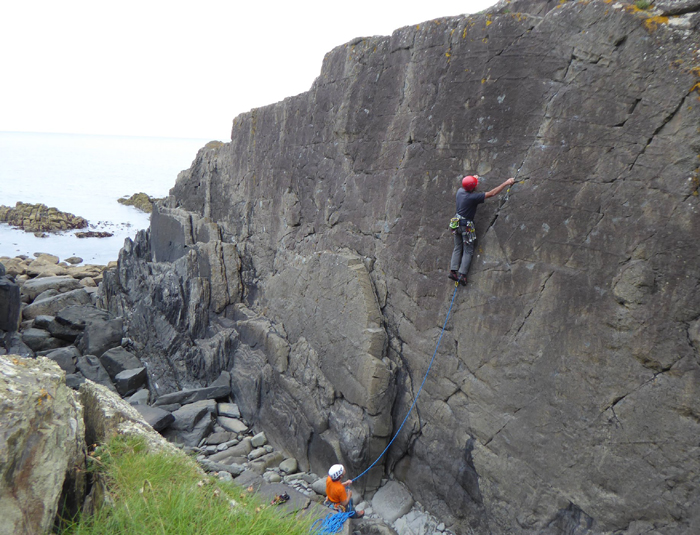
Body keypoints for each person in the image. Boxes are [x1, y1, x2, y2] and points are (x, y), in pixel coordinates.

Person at [449, 174, 515, 285]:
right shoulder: (473, 198)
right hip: (466, 225)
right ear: (472, 188)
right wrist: (506, 183)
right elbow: (492, 193)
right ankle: (462, 275)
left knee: (457, 246)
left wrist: (473, 179)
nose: (478, 184)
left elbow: (468, 185)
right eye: (476, 183)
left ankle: (453, 271)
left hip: (456, 223)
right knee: (468, 250)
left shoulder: (460, 191)